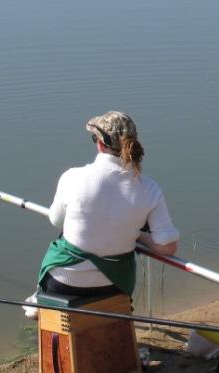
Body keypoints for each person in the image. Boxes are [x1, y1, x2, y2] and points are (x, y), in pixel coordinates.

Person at [34, 111, 179, 304]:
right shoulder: (149, 189)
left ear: (100, 144)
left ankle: (38, 301)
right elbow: (168, 247)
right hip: (113, 286)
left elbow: (57, 220)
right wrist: (138, 235)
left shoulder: (72, 177)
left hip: (63, 282)